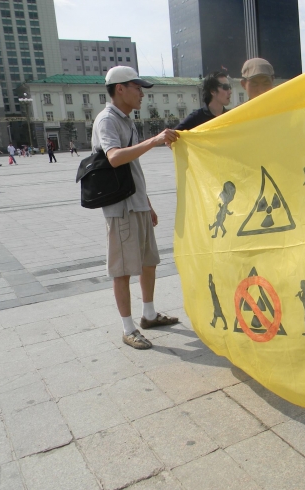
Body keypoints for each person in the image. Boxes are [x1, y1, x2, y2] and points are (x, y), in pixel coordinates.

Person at [93, 66, 180, 350]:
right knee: (122, 270)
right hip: (121, 208)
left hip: (137, 203)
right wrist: (154, 140)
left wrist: (147, 202)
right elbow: (115, 157)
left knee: (148, 262)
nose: (142, 94)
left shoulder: (127, 121)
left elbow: (133, 168)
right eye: (137, 88)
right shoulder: (107, 120)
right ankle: (128, 328)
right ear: (120, 89)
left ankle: (149, 315)